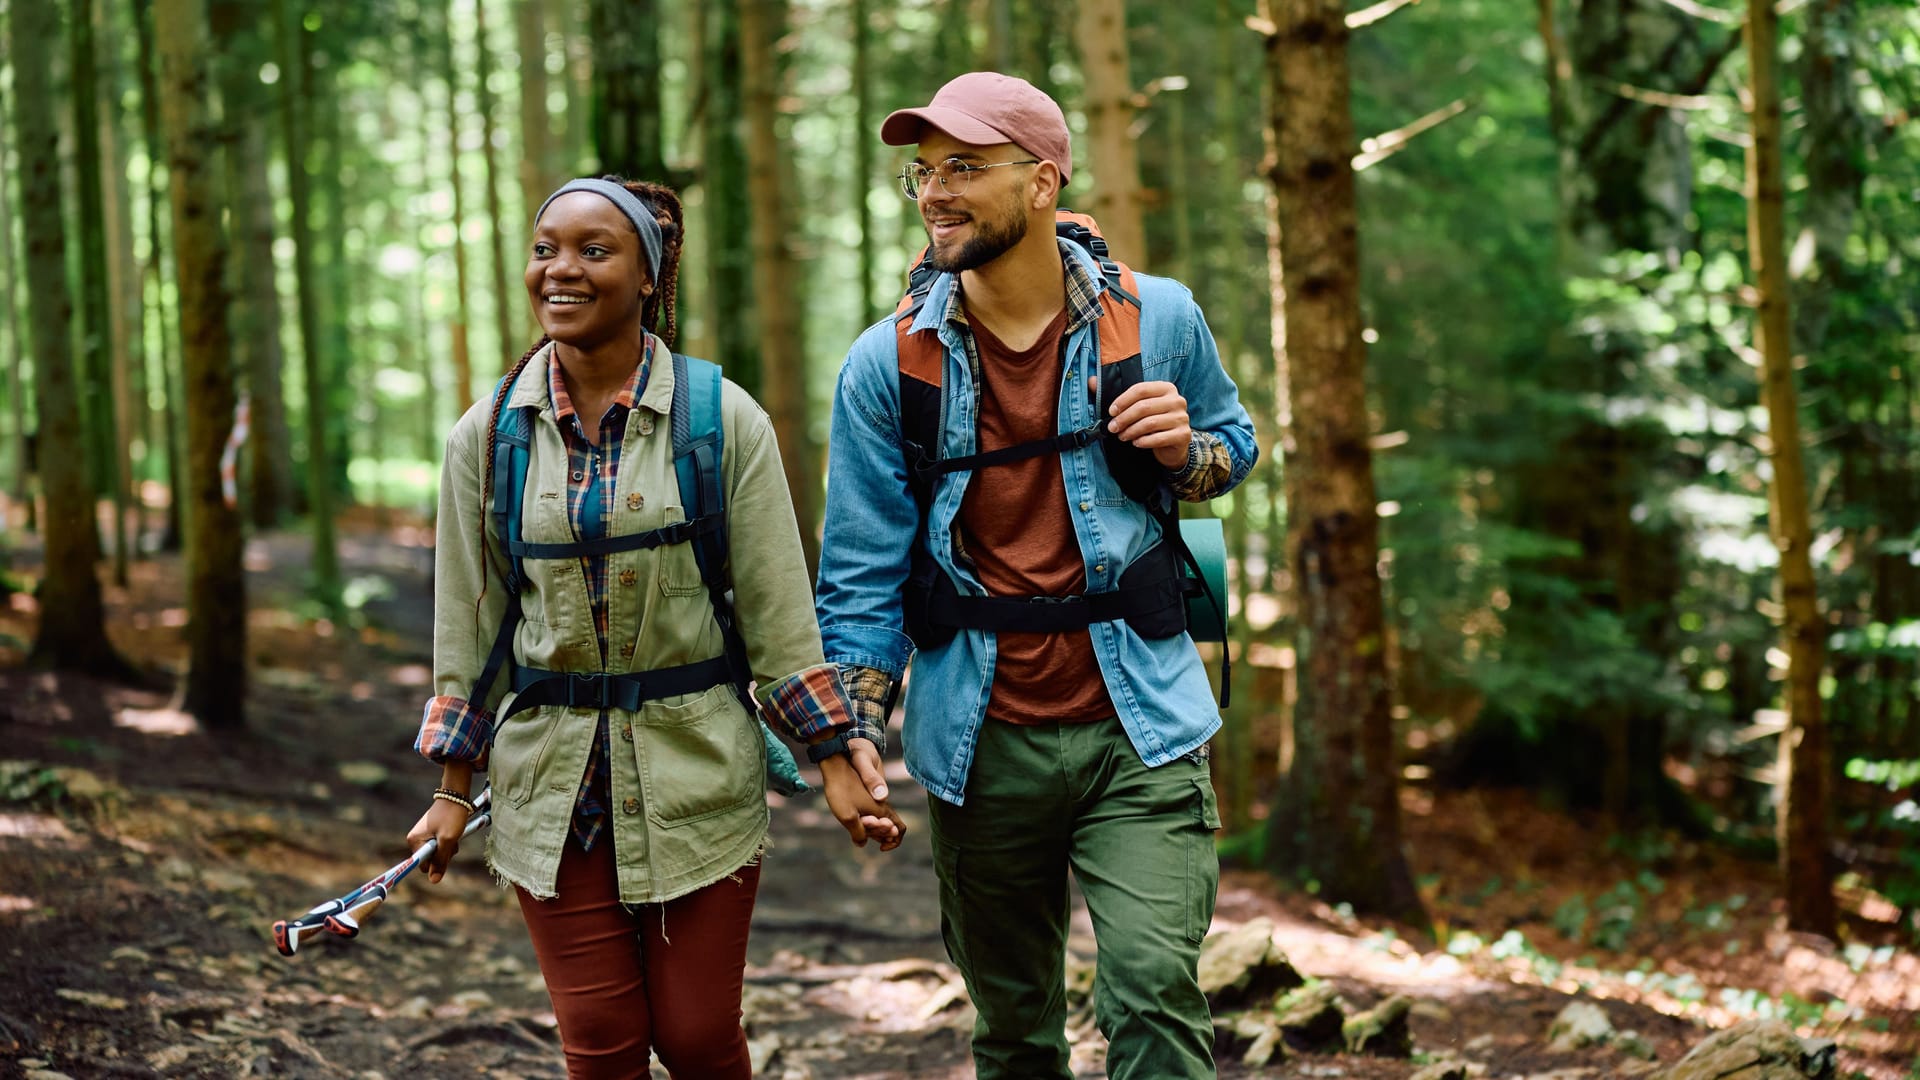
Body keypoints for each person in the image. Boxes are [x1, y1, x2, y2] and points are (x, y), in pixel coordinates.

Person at [406, 175, 903, 1080]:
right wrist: (451, 789)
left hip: (698, 774)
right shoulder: (486, 441)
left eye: (595, 251)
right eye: (546, 247)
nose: (561, 269)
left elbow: (779, 615)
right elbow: (469, 632)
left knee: (696, 1035)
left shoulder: (721, 422)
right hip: (547, 788)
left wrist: (837, 760)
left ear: (649, 277)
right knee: (598, 1043)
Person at [815, 73, 1258, 1080]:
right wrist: (848, 733)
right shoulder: (888, 367)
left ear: (1044, 180)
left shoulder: (1161, 319)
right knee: (1015, 1032)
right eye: (925, 171)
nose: (935, 191)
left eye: (965, 167)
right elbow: (858, 573)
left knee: (1153, 996)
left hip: (1139, 729)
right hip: (980, 743)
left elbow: (1235, 444)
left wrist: (1187, 453)